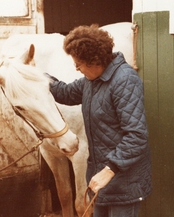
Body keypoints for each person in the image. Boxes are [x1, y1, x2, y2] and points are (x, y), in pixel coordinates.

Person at [48, 24, 152, 217]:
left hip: (123, 182)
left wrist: (109, 170)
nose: (77, 69)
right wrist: (37, 77)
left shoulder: (125, 80)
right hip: (101, 180)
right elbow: (66, 93)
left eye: (78, 64)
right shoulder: (91, 81)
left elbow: (137, 136)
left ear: (94, 60)